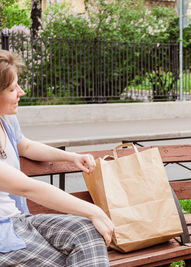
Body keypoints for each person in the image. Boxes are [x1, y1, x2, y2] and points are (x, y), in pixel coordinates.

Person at [0, 49, 114, 266]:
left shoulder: (6, 119)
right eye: (13, 88)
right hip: (3, 231)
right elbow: (27, 187)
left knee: (85, 232)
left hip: (19, 220)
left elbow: (25, 146)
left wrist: (71, 157)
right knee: (61, 261)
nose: (21, 92)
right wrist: (94, 210)